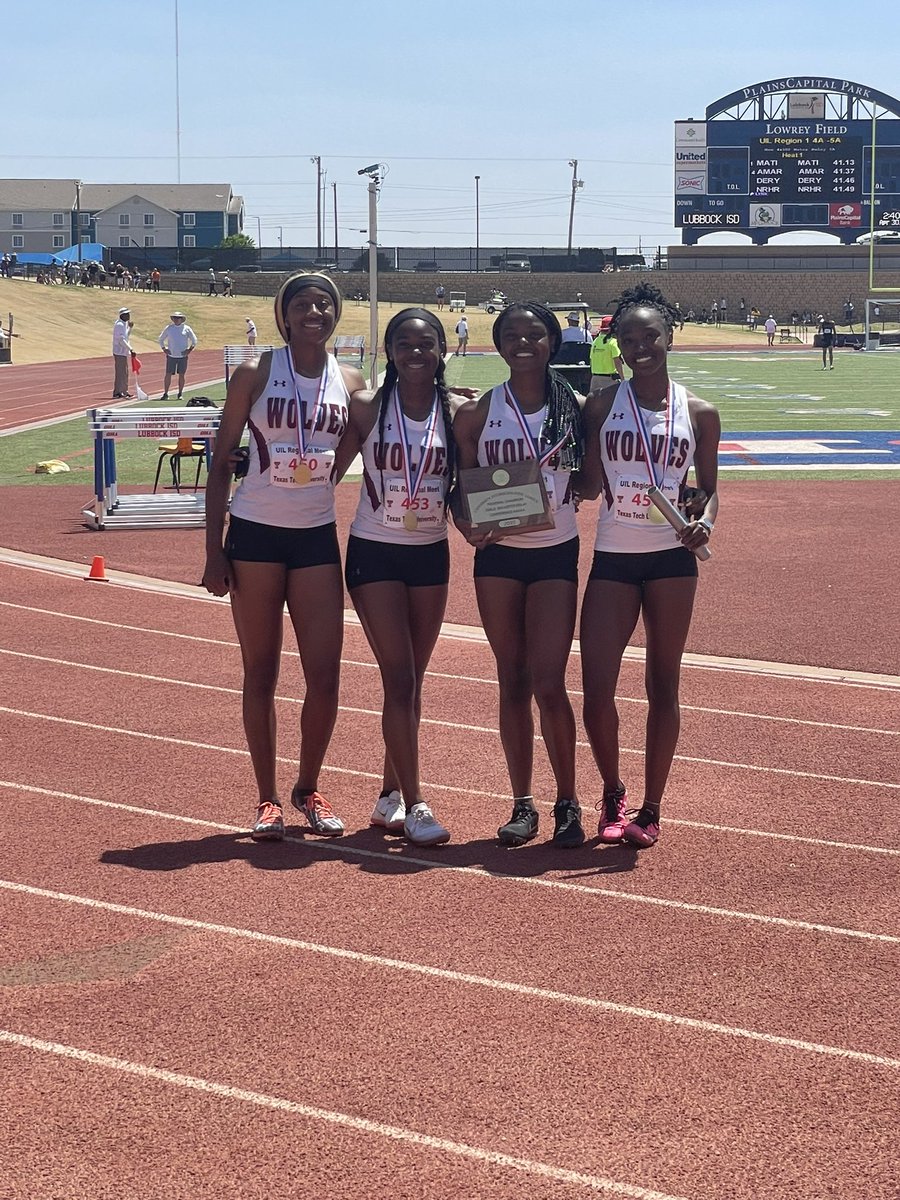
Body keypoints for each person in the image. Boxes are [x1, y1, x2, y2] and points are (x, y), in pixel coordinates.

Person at [202, 273, 366, 841]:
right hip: (253, 536)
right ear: (284, 315)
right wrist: (213, 551)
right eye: (302, 304)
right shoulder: (255, 372)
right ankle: (267, 798)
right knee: (261, 672)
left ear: (334, 314)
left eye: (324, 304)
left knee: (325, 676)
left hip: (315, 537)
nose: (313, 311)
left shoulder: (351, 379)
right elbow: (222, 461)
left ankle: (308, 787)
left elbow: (348, 452)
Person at [576, 282, 720, 849]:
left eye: (649, 337)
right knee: (596, 688)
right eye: (627, 339)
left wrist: (705, 519)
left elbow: (707, 492)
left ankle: (651, 807)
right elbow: (588, 483)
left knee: (664, 683)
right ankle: (613, 791)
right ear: (616, 345)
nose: (639, 347)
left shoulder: (700, 413)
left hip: (671, 561)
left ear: (668, 338)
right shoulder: (602, 405)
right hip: (614, 555)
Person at [453, 302, 586, 848]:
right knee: (512, 678)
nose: (524, 343)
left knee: (550, 682)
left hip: (555, 551)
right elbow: (459, 487)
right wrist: (466, 525)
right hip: (499, 557)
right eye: (513, 334)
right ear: (500, 344)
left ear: (552, 343)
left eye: (535, 334)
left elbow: (595, 481)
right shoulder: (478, 412)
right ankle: (522, 803)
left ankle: (569, 803)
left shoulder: (576, 407)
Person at [334, 308, 455, 846]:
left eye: (425, 343)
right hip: (374, 552)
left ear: (441, 350)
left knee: (412, 683)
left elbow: (476, 483)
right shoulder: (365, 407)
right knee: (399, 679)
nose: (415, 352)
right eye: (404, 343)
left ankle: (388, 796)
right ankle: (417, 802)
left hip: (430, 552)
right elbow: (327, 468)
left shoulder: (456, 411)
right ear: (390, 350)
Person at [158, 311, 198, 400]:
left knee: (182, 375)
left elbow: (194, 340)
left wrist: (189, 349)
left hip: (182, 356)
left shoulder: (187, 328)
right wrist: (164, 349)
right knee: (168, 374)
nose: (176, 319)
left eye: (178, 318)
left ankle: (180, 393)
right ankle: (166, 393)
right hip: (171, 356)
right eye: (175, 318)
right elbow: (161, 339)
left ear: (181, 319)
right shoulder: (169, 328)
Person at [588, 315, 625, 392]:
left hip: (595, 379)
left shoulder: (595, 342)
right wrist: (622, 378)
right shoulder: (613, 342)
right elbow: (617, 361)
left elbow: (591, 360)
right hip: (609, 380)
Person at [111, 306, 134, 398]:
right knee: (120, 372)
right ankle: (118, 391)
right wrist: (130, 349)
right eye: (127, 314)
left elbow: (126, 337)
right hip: (119, 352)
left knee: (124, 372)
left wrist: (130, 328)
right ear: (122, 315)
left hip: (123, 352)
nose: (128, 316)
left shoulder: (124, 324)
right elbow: (121, 340)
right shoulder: (119, 325)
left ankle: (124, 390)